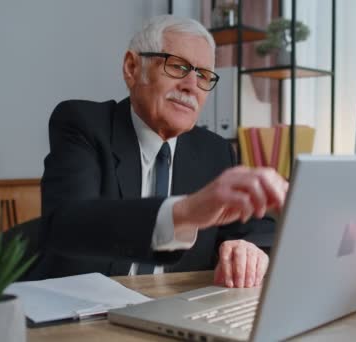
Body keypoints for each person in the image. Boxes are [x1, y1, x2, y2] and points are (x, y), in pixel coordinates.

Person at [32, 15, 288, 288]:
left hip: (176, 311)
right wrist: (184, 212)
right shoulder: (83, 123)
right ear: (132, 68)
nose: (191, 85)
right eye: (177, 66)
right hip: (87, 312)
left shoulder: (215, 150)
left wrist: (246, 247)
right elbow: (71, 226)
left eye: (203, 75)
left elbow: (254, 230)